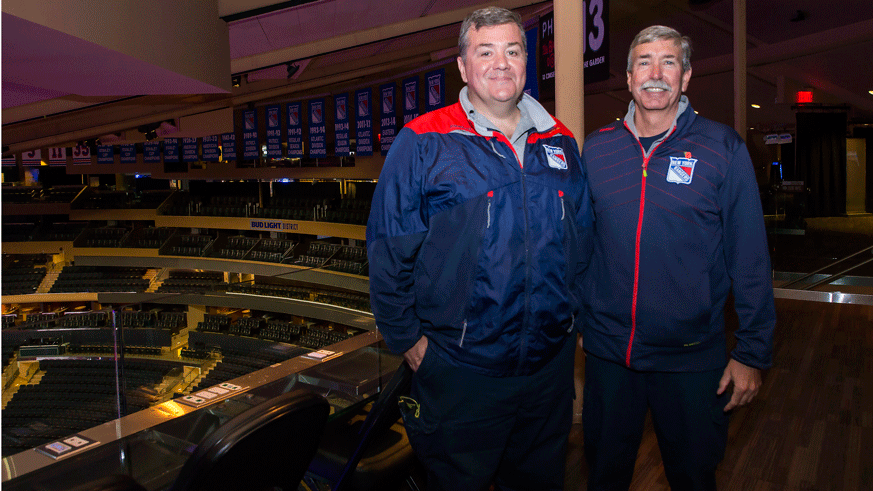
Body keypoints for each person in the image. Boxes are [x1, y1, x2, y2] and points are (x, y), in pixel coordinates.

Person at [367, 6, 593, 490]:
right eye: (485, 52)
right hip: (460, 373)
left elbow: (582, 246)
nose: (501, 63)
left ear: (526, 61)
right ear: (464, 66)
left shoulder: (562, 141)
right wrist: (409, 341)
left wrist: (573, 324)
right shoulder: (424, 142)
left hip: (547, 373)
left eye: (513, 51)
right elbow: (388, 253)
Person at [579, 25, 776, 491]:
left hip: (691, 358)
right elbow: (580, 246)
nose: (655, 73)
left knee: (693, 477)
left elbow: (749, 256)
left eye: (669, 62)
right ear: (627, 78)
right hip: (610, 356)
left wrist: (752, 352)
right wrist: (581, 319)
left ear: (685, 77)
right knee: (603, 476)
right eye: (644, 62)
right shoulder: (598, 149)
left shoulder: (722, 149)